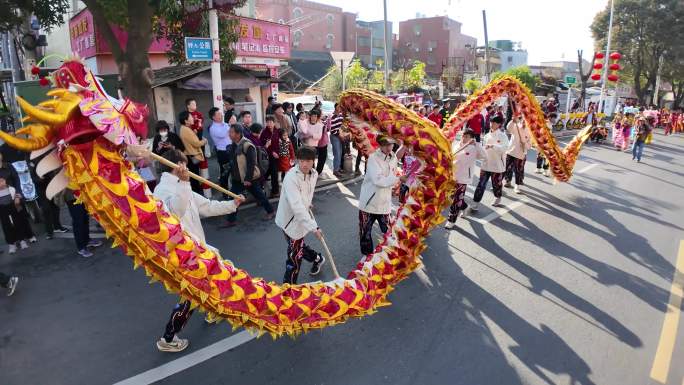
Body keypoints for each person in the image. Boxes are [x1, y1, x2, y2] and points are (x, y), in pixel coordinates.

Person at [153, 149, 243, 353]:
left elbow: (207, 206)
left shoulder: (181, 186)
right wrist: (184, 184)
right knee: (191, 296)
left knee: (211, 278)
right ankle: (168, 338)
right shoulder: (161, 191)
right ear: (178, 167)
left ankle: (210, 310)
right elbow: (176, 212)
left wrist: (232, 204)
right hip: (184, 254)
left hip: (199, 249)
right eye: (185, 164)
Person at [276, 146, 326, 284]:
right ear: (297, 160)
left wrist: (307, 203)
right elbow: (296, 206)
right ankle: (318, 259)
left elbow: (306, 194)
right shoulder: (291, 177)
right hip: (289, 220)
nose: (304, 164)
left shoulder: (314, 174)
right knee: (297, 248)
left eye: (308, 161)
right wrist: (314, 227)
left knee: (294, 255)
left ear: (313, 161)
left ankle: (289, 287)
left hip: (299, 223)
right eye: (302, 160)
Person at [357, 136, 406, 255]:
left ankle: (391, 256)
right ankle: (367, 257)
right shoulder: (373, 159)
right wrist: (398, 179)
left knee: (389, 232)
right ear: (379, 145)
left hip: (384, 204)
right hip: (368, 204)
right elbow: (378, 180)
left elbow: (397, 157)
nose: (389, 147)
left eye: (391, 144)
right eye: (385, 144)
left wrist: (405, 145)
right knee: (365, 233)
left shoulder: (392, 157)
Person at [224, 125, 275, 227]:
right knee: (233, 198)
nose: (229, 134)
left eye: (231, 132)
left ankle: (271, 212)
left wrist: (248, 179)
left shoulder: (247, 145)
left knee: (259, 195)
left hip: (249, 178)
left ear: (238, 134)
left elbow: (251, 163)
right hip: (237, 178)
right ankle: (231, 220)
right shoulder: (234, 144)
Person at [445, 129, 485, 230]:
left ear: (471, 138)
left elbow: (484, 156)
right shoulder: (457, 144)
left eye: (467, 136)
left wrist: (476, 144)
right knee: (452, 197)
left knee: (457, 200)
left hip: (463, 178)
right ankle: (464, 206)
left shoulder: (474, 148)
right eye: (463, 135)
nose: (464, 138)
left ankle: (451, 220)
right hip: (453, 176)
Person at [471, 115, 509, 211]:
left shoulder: (503, 136)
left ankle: (498, 197)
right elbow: (483, 150)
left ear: (499, 124)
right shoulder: (487, 135)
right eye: (491, 122)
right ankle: (475, 202)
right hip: (485, 165)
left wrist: (493, 146)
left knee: (496, 184)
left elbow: (504, 149)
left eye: (494, 123)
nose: (491, 124)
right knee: (481, 184)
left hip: (497, 166)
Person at [0, 176, 35, 253]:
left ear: (5, 181)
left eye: (2, 181)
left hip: (13, 207)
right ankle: (11, 244)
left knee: (18, 223)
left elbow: (18, 197)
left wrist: (18, 199)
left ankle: (22, 241)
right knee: (6, 227)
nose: (1, 183)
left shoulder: (11, 189)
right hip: (2, 209)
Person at [63, 188, 103, 257]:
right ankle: (81, 247)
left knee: (85, 218)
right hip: (72, 197)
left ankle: (87, 240)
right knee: (78, 221)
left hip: (81, 193)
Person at [178, 111, 207, 194]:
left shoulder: (185, 128)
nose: (193, 118)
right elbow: (196, 143)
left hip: (190, 155)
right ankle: (197, 194)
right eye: (190, 117)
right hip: (192, 156)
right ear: (186, 120)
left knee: (194, 177)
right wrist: (204, 141)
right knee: (194, 178)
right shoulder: (186, 129)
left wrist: (194, 133)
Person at [504, 114, 531, 194]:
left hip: (520, 154)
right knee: (505, 168)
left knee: (518, 170)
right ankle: (505, 182)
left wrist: (525, 144)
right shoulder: (516, 126)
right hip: (511, 152)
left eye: (525, 121)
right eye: (522, 120)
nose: (523, 122)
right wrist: (512, 121)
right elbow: (508, 128)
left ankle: (517, 186)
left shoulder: (529, 131)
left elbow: (529, 146)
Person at [208, 107, 231, 191]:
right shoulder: (213, 128)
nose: (221, 115)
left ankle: (232, 191)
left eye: (221, 113)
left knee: (233, 171)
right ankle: (224, 192)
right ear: (213, 117)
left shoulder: (224, 124)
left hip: (230, 150)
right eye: (218, 114)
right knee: (225, 173)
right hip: (223, 153)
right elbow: (223, 134)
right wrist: (229, 124)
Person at [329, 103, 346, 177]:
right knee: (337, 153)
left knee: (340, 152)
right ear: (335, 107)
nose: (339, 108)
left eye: (340, 107)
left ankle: (338, 168)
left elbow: (343, 125)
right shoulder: (332, 116)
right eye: (338, 107)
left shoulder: (341, 115)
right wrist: (340, 136)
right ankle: (335, 170)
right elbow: (332, 130)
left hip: (340, 135)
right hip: (335, 136)